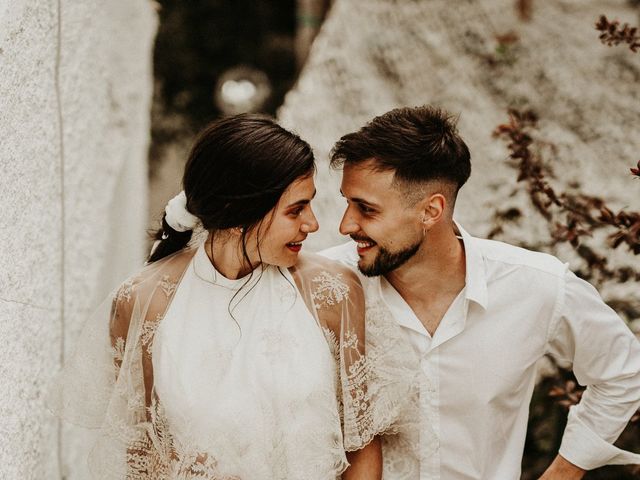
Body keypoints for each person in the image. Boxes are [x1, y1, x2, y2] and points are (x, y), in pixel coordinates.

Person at [53, 114, 410, 479]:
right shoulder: (144, 301)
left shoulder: (332, 292)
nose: (313, 224)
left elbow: (363, 442)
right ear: (239, 212)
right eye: (295, 210)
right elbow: (144, 453)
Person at [321, 105, 640, 479]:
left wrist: (565, 471)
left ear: (431, 210)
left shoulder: (536, 284)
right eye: (347, 203)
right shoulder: (326, 285)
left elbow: (623, 372)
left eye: (366, 209)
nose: (346, 225)